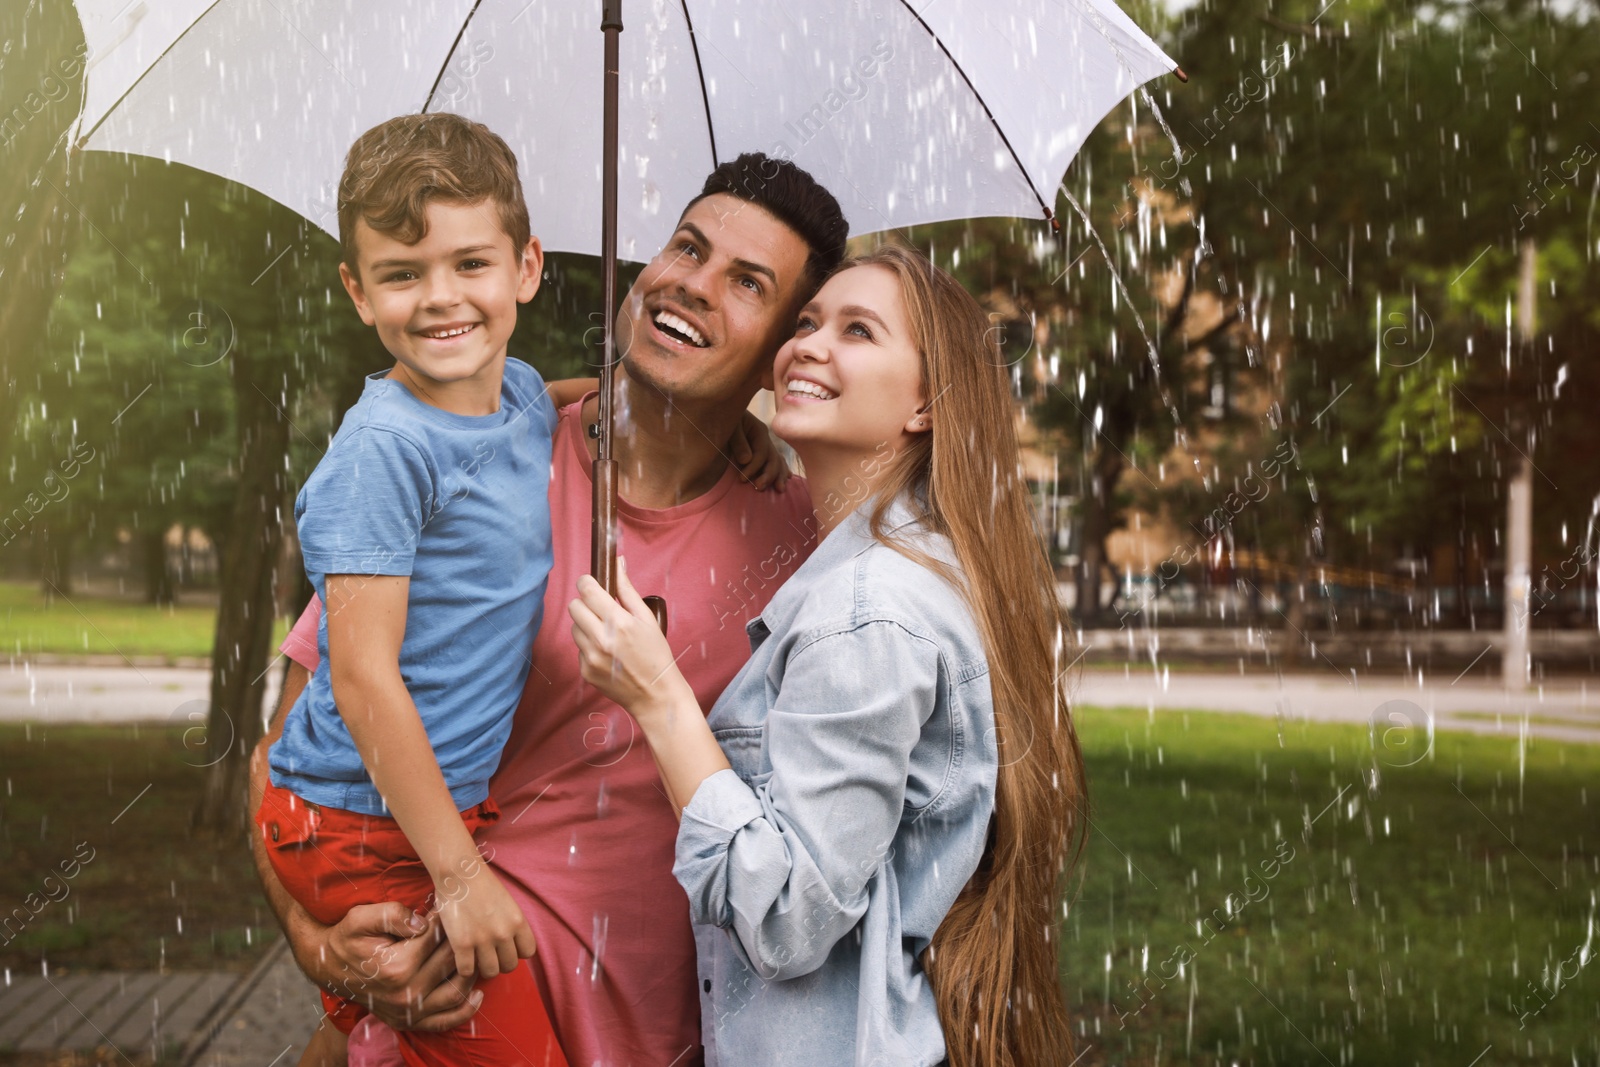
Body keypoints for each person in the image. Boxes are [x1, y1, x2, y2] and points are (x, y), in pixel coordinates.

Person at [251, 154, 849, 1067]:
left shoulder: (804, 542)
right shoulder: (466, 465)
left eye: (747, 283)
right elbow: (290, 749)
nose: (693, 283)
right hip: (458, 993)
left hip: (680, 1033)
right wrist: (316, 944)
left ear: (783, 348)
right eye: (687, 247)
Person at [569, 246, 1089, 1066]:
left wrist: (658, 696)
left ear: (926, 403)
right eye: (807, 323)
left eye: (858, 331)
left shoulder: (867, 608)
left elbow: (788, 918)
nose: (808, 345)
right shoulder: (910, 563)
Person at [258, 111, 571, 1067]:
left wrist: (718, 418)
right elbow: (361, 678)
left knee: (366, 1046)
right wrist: (460, 875)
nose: (441, 299)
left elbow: (554, 399)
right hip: (358, 820)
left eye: (471, 264)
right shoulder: (384, 452)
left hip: (412, 812)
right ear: (358, 292)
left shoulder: (518, 393)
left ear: (526, 267)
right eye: (402, 274)